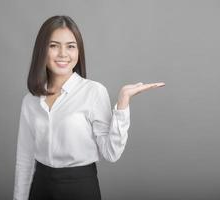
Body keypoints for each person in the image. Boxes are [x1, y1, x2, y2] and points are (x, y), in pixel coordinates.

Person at [13, 15, 165, 200]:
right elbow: (25, 159)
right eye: (53, 46)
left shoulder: (93, 92)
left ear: (79, 51)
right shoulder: (30, 101)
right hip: (40, 188)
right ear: (41, 50)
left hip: (80, 188)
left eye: (70, 46)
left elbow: (111, 153)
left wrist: (123, 102)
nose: (63, 53)